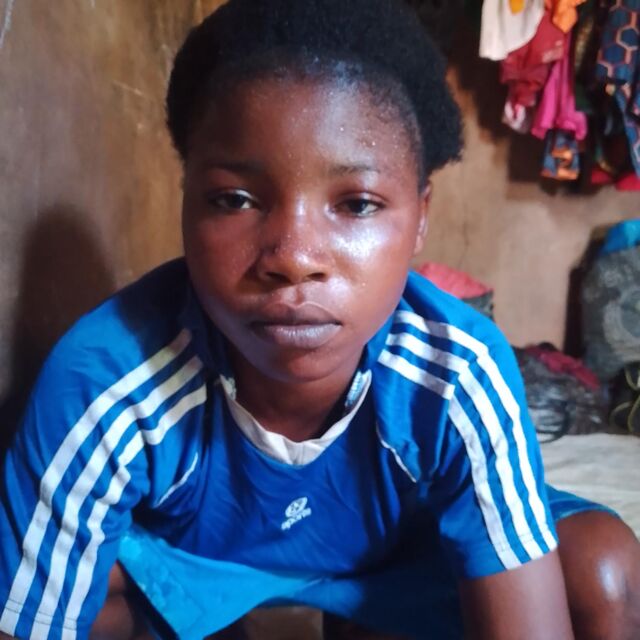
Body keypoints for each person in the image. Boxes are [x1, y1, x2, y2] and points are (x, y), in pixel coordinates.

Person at [1, 1, 639, 638]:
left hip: (400, 560)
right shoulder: (109, 380)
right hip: (201, 566)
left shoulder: (457, 373)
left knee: (600, 569)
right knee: (62, 582)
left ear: (420, 216)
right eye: (235, 199)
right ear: (186, 200)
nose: (294, 258)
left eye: (356, 204)